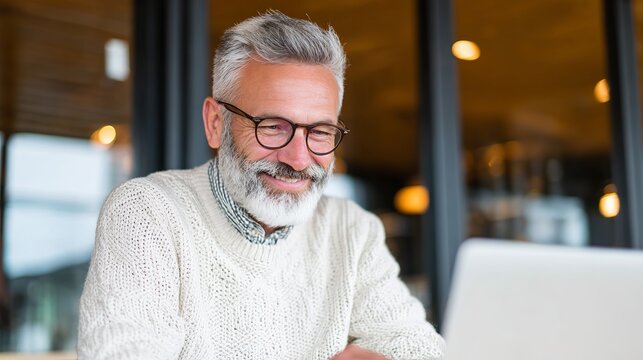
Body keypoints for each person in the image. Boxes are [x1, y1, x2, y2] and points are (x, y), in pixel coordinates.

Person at [78, 10, 445, 360]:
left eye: (319, 132)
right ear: (215, 123)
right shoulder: (148, 213)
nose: (298, 159)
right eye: (272, 127)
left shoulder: (352, 230)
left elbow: (420, 346)